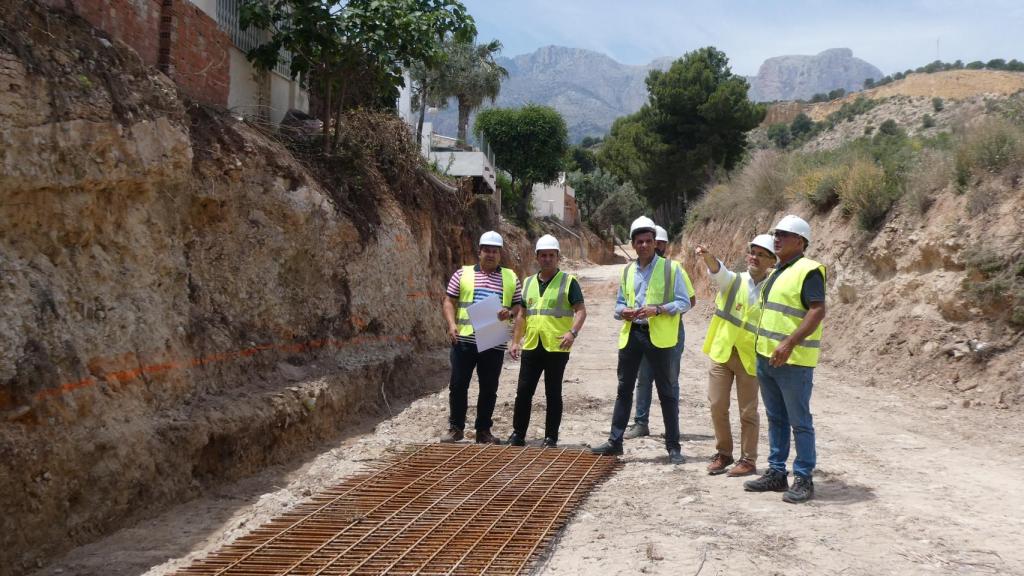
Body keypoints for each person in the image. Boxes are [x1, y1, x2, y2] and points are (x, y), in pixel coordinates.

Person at [592, 217, 691, 464]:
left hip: (659, 337)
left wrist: (658, 309)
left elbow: (685, 302)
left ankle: (673, 447)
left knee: (666, 392)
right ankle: (615, 442)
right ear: (633, 244)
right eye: (640, 241)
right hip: (632, 334)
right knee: (624, 390)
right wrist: (623, 311)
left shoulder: (672, 269)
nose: (644, 245)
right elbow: (618, 306)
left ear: (655, 243)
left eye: (649, 241)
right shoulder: (627, 271)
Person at [742, 215, 826, 503]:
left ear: (800, 241)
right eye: (775, 233)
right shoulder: (778, 270)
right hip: (766, 357)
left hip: (793, 360)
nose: (776, 238)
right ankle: (777, 472)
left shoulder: (809, 270)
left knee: (799, 421)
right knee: (776, 418)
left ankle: (803, 477)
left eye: (784, 234)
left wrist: (789, 343)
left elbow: (817, 310)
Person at [695, 235, 777, 477]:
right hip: (723, 351)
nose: (754, 257)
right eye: (753, 252)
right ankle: (724, 454)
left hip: (750, 357)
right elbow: (719, 272)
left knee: (748, 411)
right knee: (717, 404)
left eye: (762, 254)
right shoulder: (735, 281)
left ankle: (748, 460)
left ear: (772, 261)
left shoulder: (774, 288)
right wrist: (708, 256)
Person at [440, 230, 523, 444]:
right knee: (458, 385)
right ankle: (456, 428)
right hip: (465, 340)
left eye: (495, 251)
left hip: (493, 339)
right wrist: (451, 325)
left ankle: (483, 431)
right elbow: (449, 300)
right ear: (479, 252)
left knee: (489, 387)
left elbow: (518, 305)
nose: (491, 254)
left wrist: (510, 313)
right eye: (487, 250)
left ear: (500, 254)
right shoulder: (462, 274)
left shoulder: (510, 277)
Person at [508, 235, 587, 447]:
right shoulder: (528, 283)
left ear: (558, 257)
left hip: (557, 346)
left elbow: (580, 311)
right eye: (543, 255)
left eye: (551, 255)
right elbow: (522, 315)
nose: (547, 259)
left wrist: (572, 333)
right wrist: (516, 341)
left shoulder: (569, 282)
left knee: (553, 393)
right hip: (533, 344)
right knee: (524, 391)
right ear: (537, 257)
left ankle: (551, 437)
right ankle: (518, 434)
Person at [624, 225, 695, 440]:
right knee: (643, 378)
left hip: (669, 332)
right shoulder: (636, 270)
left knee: (670, 380)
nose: (656, 246)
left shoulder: (674, 269)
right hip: (644, 332)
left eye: (659, 243)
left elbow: (689, 301)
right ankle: (640, 422)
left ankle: (672, 428)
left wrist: (664, 311)